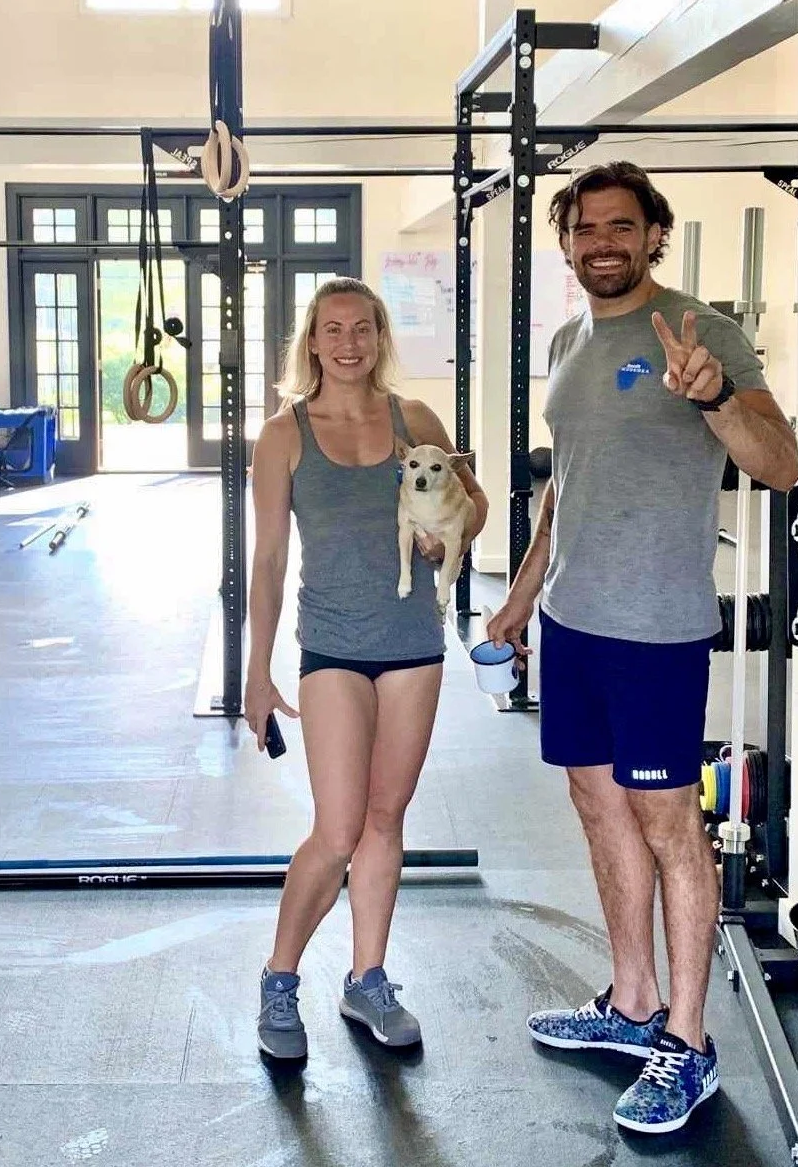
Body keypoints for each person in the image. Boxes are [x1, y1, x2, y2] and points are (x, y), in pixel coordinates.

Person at [488, 163, 798, 1135]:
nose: (601, 243)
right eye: (584, 229)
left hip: (656, 628)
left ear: (653, 234)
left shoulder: (704, 332)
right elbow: (567, 482)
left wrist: (715, 398)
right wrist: (523, 592)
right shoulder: (568, 340)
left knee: (670, 824)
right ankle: (630, 1003)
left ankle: (688, 1041)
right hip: (572, 621)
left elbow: (781, 465)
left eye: (620, 226)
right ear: (566, 243)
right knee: (598, 807)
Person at [244, 276, 488, 1062]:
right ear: (312, 343)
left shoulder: (414, 420)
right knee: (338, 828)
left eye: (362, 329)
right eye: (333, 329)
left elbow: (475, 504)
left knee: (387, 820)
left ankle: (367, 979)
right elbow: (269, 559)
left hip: (413, 642)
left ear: (380, 338)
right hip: (334, 646)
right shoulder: (284, 435)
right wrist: (256, 670)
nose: (348, 343)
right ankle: (280, 979)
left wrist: (446, 536)